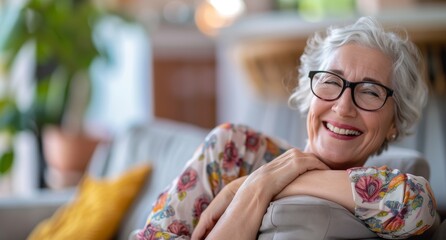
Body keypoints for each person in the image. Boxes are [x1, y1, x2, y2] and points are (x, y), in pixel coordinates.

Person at [137, 16, 438, 239]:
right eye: (331, 82)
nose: (344, 106)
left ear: (394, 124)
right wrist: (260, 178)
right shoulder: (234, 148)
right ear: (309, 95)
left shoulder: (390, 189)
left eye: (370, 91)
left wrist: (254, 185)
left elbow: (417, 206)